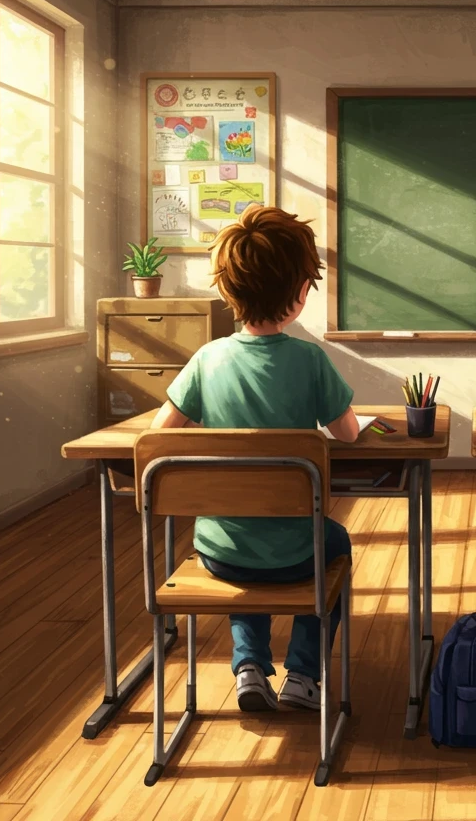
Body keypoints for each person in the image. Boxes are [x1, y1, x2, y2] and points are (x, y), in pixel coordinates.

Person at [151, 204, 359, 713]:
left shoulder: (207, 359)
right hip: (295, 553)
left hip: (219, 552)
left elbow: (161, 435)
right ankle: (304, 676)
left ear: (228, 291)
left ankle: (249, 665)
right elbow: (348, 433)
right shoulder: (309, 360)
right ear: (298, 294)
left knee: (242, 533)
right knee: (334, 543)